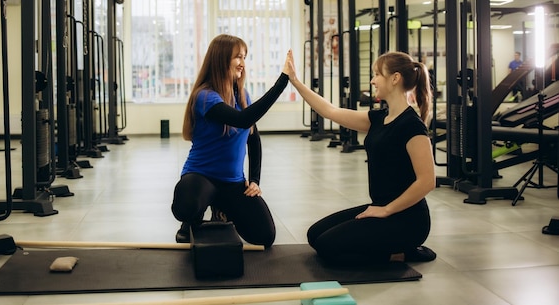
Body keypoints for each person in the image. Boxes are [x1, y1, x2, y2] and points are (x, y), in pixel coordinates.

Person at [284, 49, 437, 264]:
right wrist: (295, 81)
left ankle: (401, 252)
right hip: (382, 207)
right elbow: (330, 111)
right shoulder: (378, 118)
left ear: (395, 78)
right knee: (315, 235)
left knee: (329, 248)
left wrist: (386, 210)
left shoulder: (412, 126)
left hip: (407, 219)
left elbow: (427, 181)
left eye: (377, 75)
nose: (373, 81)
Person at [171, 34, 290, 248]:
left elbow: (254, 139)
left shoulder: (242, 96)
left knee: (265, 235)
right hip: (201, 176)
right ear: (221, 59)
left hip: (233, 182)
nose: (242, 63)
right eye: (238, 57)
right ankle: (190, 220)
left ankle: (220, 207)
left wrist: (255, 180)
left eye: (244, 57)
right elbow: (242, 120)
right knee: (186, 206)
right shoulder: (205, 96)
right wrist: (282, 81)